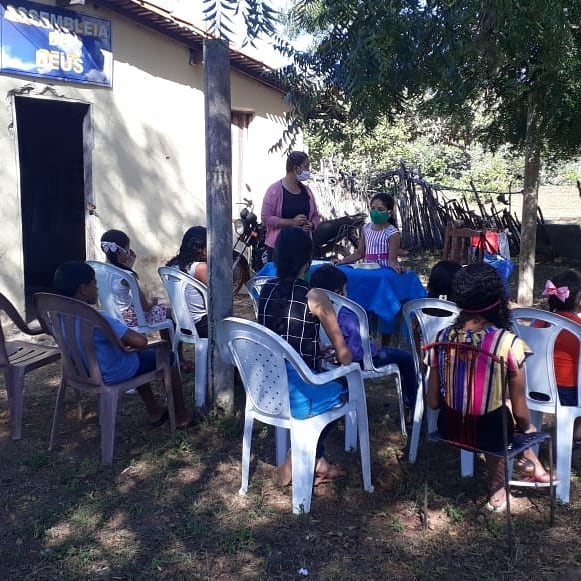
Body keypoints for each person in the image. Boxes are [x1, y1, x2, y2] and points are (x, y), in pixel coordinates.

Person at [427, 262, 552, 512]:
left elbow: (432, 402)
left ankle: (530, 466)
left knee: (496, 412)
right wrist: (527, 430)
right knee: (503, 419)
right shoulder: (509, 345)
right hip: (490, 434)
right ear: (498, 299)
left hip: (448, 426)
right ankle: (499, 489)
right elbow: (519, 414)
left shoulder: (440, 339)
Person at [257, 227, 352, 486]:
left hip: (265, 390)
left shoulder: (265, 289)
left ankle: (318, 462)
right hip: (298, 394)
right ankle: (302, 456)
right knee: (347, 386)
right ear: (308, 261)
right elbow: (343, 355)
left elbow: (280, 340)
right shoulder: (315, 296)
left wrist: (313, 349)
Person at [52, 261, 198, 429]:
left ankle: (155, 411)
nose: (97, 289)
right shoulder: (97, 317)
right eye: (95, 284)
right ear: (83, 289)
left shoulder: (56, 316)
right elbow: (140, 341)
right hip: (112, 372)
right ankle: (181, 417)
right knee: (167, 356)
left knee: (135, 355)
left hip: (81, 371)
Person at [310, 264, 417, 408]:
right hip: (362, 361)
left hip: (328, 359)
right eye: (346, 288)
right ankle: (413, 401)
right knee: (406, 358)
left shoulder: (311, 311)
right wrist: (373, 347)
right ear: (339, 292)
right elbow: (358, 350)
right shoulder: (346, 313)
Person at [541, 269, 581, 443]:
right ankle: (575, 433)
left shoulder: (539, 321)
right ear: (579, 300)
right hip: (570, 393)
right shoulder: (577, 327)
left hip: (540, 390)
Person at [100, 229, 169, 328]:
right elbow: (145, 307)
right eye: (128, 250)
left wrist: (128, 268)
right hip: (127, 320)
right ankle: (168, 343)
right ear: (121, 252)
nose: (129, 253)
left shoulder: (98, 270)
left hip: (108, 317)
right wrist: (154, 301)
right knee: (167, 313)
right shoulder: (127, 275)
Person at [261, 151, 321, 262]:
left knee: (301, 279)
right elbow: (266, 218)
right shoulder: (274, 190)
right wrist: (292, 222)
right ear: (296, 168)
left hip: (303, 248)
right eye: (306, 167)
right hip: (279, 248)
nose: (308, 171)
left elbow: (316, 216)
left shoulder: (307, 191)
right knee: (279, 279)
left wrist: (312, 224)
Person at [336, 192, 404, 272]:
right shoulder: (366, 229)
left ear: (389, 213)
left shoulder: (393, 233)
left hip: (385, 272)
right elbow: (359, 253)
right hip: (369, 272)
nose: (375, 212)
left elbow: (392, 259)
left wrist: (397, 267)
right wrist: (343, 261)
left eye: (380, 209)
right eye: (373, 208)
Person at [166, 226, 209, 340]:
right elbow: (217, 296)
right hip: (201, 325)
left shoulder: (172, 266)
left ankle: (179, 356)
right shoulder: (200, 268)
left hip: (179, 324)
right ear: (200, 247)